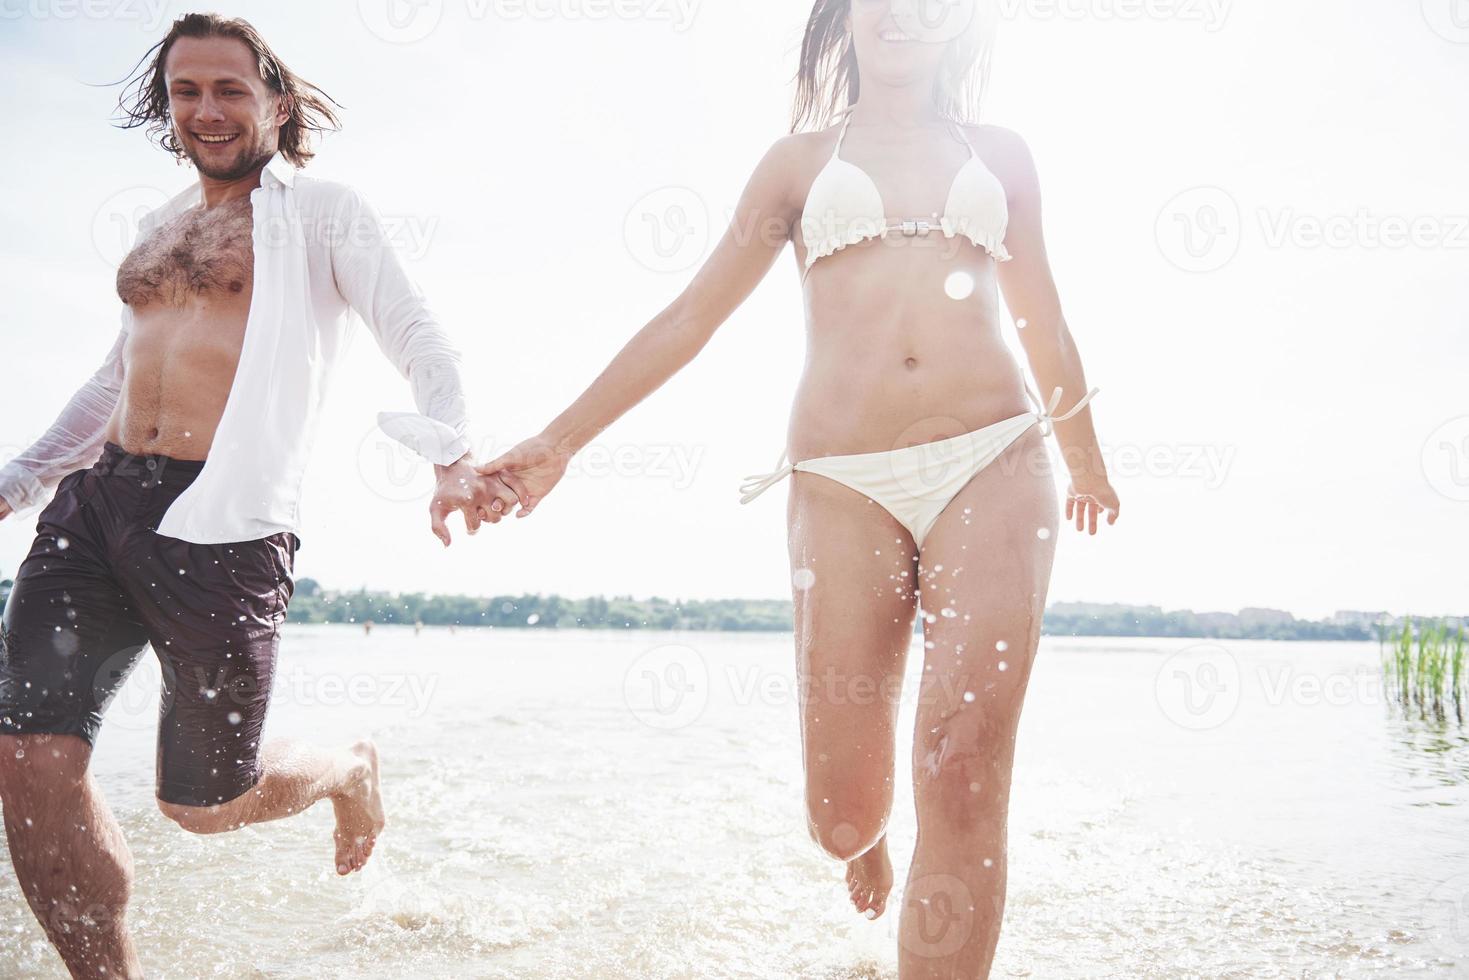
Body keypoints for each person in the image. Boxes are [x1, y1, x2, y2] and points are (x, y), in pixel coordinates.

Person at [476, 1, 1119, 975]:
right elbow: (690, 316)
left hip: (994, 457)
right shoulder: (794, 165)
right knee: (839, 811)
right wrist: (560, 440)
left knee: (962, 768)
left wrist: (1085, 461)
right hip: (839, 479)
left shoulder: (1002, 153)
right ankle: (867, 835)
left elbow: (1045, 323)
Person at [0, 14, 517, 979]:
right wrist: (24, 477)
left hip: (221, 523)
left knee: (201, 807)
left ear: (276, 103)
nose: (207, 109)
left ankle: (348, 766)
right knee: (27, 761)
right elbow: (116, 378)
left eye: (230, 89)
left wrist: (448, 453)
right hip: (98, 506)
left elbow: (420, 336)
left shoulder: (319, 211)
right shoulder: (162, 226)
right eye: (187, 90)